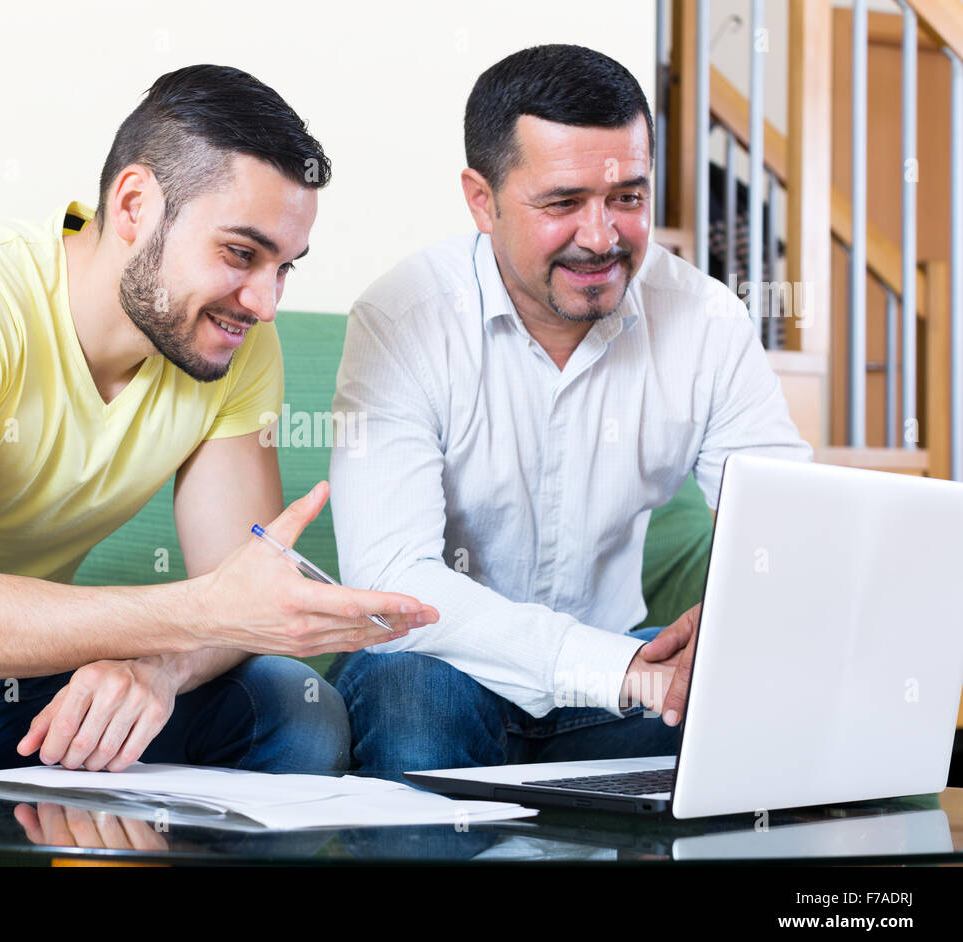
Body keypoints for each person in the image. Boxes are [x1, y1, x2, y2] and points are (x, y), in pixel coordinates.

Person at [0, 63, 438, 865]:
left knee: (294, 709)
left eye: (286, 267)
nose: (265, 302)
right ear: (133, 205)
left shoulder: (236, 343)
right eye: (241, 253)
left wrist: (159, 669)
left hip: (23, 671)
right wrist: (192, 618)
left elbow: (243, 599)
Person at [326, 44, 811, 778]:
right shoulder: (404, 319)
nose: (602, 237)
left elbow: (789, 531)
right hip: (445, 670)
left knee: (770, 697)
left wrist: (743, 618)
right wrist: (612, 667)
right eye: (562, 203)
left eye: (628, 198)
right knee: (413, 691)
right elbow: (395, 587)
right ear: (481, 199)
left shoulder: (707, 322)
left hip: (621, 685)